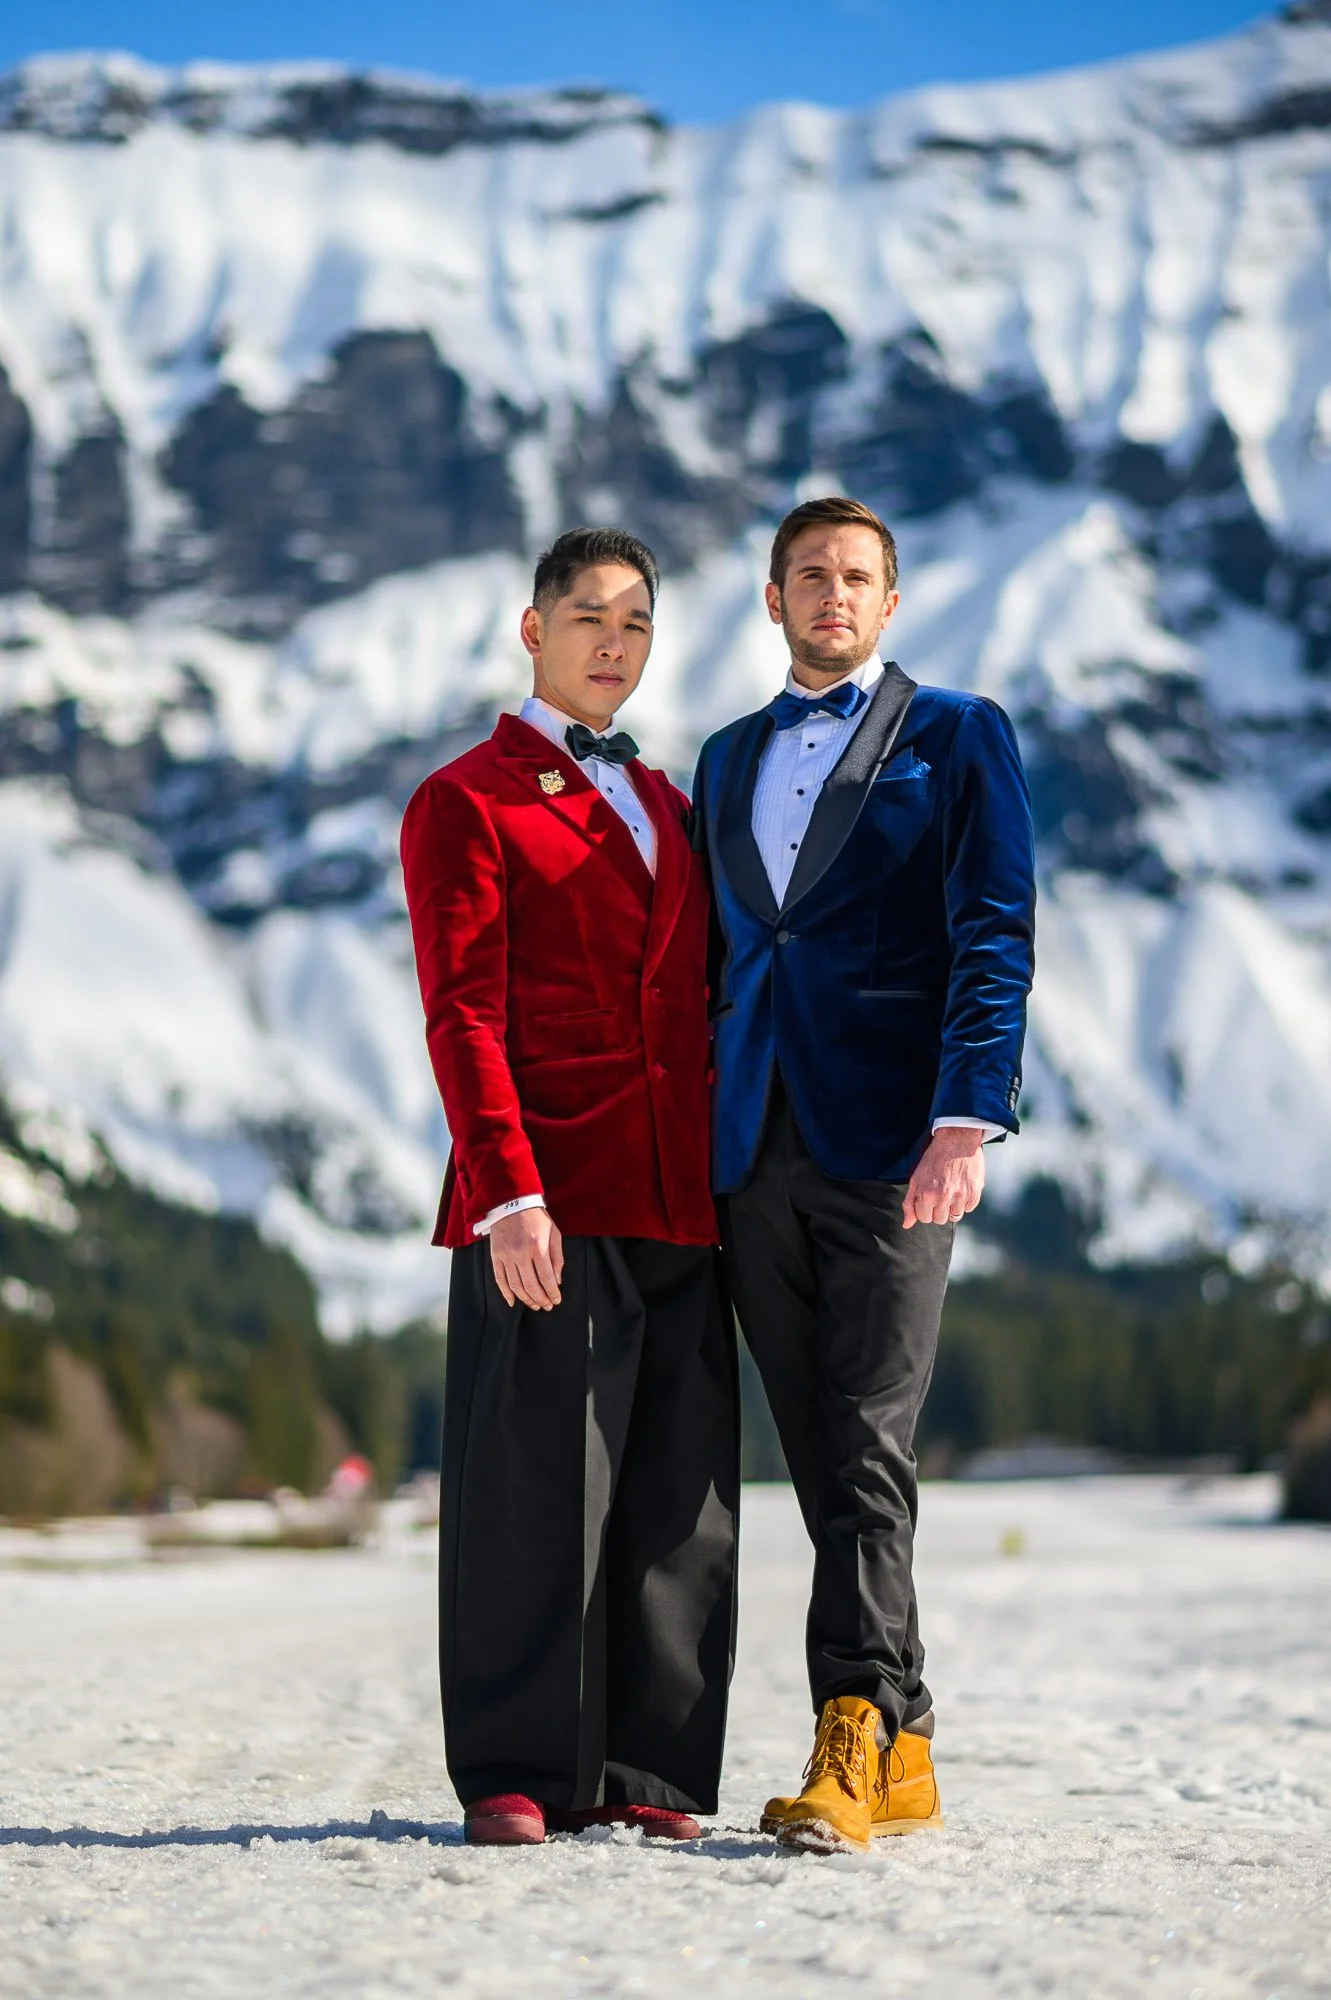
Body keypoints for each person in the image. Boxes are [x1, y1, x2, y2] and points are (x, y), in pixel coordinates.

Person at [692, 494, 1036, 1852]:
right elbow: (720, 960)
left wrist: (968, 1112)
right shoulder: (722, 760)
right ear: (772, 600)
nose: (833, 594)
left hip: (895, 1147)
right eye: (809, 576)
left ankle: (850, 1732)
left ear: (891, 605)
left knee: (870, 1446)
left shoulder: (956, 736)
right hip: (750, 1144)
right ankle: (908, 1745)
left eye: (858, 577)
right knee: (825, 1459)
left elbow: (993, 924)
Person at [401, 527, 738, 1847]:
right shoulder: (464, 800)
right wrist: (505, 1195)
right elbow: (460, 1013)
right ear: (530, 629)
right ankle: (517, 1771)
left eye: (636, 621)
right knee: (533, 1490)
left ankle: (648, 1774)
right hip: (543, 1191)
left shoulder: (669, 804)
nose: (614, 640)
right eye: (588, 615)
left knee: (678, 1496)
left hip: (678, 1188)